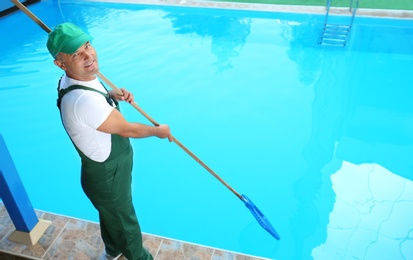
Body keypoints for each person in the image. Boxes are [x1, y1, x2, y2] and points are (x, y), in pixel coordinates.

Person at [47, 22, 172, 260]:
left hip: (106, 173)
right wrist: (159, 131)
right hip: (108, 177)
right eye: (76, 54)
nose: (88, 55)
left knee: (111, 215)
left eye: (87, 46)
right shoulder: (84, 101)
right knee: (126, 224)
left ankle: (112, 251)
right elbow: (127, 130)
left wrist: (109, 96)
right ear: (60, 64)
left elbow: (93, 105)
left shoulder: (73, 80)